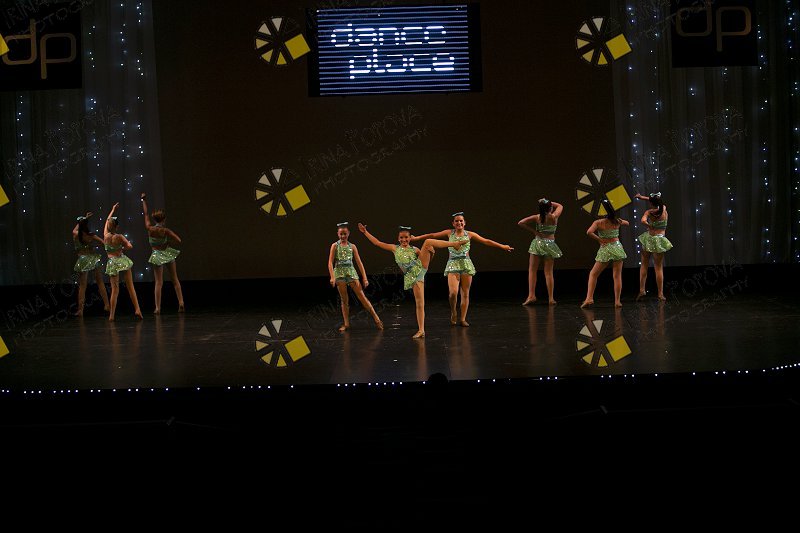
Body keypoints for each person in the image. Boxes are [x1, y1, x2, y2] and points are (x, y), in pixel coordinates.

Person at [358, 223, 465, 339]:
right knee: (420, 303)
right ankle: (421, 330)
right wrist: (365, 232)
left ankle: (454, 244)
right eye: (401, 237)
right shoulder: (394, 248)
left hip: (419, 268)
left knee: (428, 242)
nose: (404, 239)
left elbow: (428, 261)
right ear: (398, 239)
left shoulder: (415, 250)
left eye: (406, 237)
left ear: (410, 238)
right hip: (411, 275)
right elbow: (377, 243)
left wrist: (432, 253)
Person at [411, 212, 513, 327]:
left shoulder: (470, 234)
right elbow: (433, 235)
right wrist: (417, 238)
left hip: (466, 264)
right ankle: (453, 311)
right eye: (457, 221)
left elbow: (486, 241)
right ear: (453, 223)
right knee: (453, 293)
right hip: (453, 264)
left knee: (465, 293)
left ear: (464, 223)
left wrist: (502, 246)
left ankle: (463, 318)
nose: (459, 222)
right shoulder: (449, 233)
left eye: (461, 221)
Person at [327, 222, 383, 332]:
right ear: (338, 234)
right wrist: (332, 277)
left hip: (351, 273)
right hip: (340, 274)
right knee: (344, 300)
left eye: (345, 234)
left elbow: (359, 262)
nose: (343, 236)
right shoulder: (335, 246)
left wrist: (365, 278)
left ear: (348, 233)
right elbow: (330, 262)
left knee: (362, 297)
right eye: (341, 234)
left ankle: (377, 319)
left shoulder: (352, 247)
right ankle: (346, 324)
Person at [141, 193, 185, 314]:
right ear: (164, 219)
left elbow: (145, 214)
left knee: (159, 282)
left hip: (157, 255)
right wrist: (168, 241)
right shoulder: (165, 231)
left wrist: (143, 200)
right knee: (174, 279)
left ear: (155, 219)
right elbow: (179, 240)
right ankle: (181, 302)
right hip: (167, 253)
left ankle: (157, 308)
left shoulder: (150, 228)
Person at [581, 199, 629, 308]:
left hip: (606, 248)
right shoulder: (617, 221)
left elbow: (589, 232)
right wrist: (620, 221)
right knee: (617, 276)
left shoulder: (598, 222)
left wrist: (599, 239)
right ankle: (617, 301)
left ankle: (589, 298)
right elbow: (627, 223)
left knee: (593, 274)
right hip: (617, 247)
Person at [518, 198, 563, 305]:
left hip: (538, 243)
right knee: (548, 272)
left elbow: (520, 223)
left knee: (532, 270)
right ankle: (551, 298)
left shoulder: (537, 217)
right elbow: (560, 205)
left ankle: (531, 295)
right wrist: (546, 201)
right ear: (550, 208)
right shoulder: (554, 216)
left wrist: (534, 231)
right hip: (550, 245)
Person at [104, 202, 142, 321]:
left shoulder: (105, 236)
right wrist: (122, 248)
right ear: (117, 227)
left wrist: (112, 210)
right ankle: (137, 309)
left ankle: (111, 315)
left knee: (115, 290)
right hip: (122, 260)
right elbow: (130, 246)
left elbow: (107, 221)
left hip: (112, 262)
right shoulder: (119, 237)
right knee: (130, 286)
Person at [635, 192, 672, 301]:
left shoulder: (649, 212)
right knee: (658, 267)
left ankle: (642, 290)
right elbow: (655, 200)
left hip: (649, 239)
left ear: (651, 203)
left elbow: (642, 220)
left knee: (644, 265)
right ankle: (660, 294)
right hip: (659, 240)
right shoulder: (663, 208)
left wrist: (649, 225)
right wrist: (642, 197)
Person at [71, 212, 110, 316]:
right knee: (100, 282)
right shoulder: (90, 235)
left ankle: (81, 310)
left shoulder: (76, 234)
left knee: (82, 286)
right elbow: (104, 243)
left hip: (83, 260)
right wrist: (96, 245)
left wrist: (84, 218)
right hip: (93, 258)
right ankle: (107, 305)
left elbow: (74, 230)